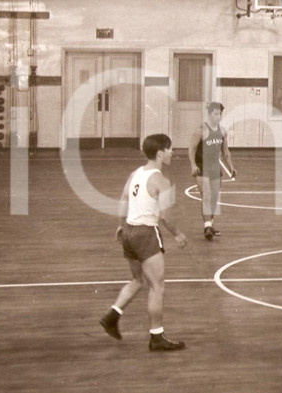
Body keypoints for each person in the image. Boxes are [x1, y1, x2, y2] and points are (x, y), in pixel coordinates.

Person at [99, 134, 188, 350]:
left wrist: (121, 226)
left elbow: (123, 200)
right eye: (169, 149)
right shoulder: (162, 181)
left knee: (138, 280)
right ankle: (156, 337)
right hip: (145, 234)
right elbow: (165, 216)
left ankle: (112, 315)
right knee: (157, 287)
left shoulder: (135, 173)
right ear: (159, 153)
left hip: (129, 232)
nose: (172, 152)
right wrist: (178, 234)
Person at [188, 101, 236, 240]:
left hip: (215, 168)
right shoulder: (200, 130)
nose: (219, 116)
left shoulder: (223, 131)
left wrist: (231, 166)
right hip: (202, 167)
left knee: (214, 199)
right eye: (216, 113)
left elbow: (225, 151)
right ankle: (207, 226)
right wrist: (193, 165)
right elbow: (191, 149)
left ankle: (210, 224)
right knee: (206, 196)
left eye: (220, 113)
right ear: (209, 114)